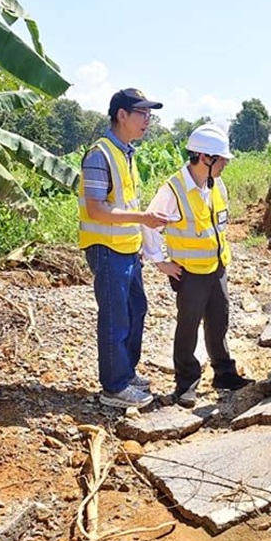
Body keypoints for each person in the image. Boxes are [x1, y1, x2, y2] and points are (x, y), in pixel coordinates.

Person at [142, 124, 253, 408]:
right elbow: (151, 224)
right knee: (188, 327)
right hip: (189, 272)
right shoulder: (173, 189)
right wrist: (159, 262)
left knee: (219, 321)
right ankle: (186, 383)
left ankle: (224, 374)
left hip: (217, 268)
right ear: (205, 157)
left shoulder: (217, 186)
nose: (226, 163)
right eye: (222, 159)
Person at [79, 88, 172, 409]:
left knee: (135, 310)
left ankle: (126, 372)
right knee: (115, 317)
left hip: (128, 248)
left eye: (150, 114)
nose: (148, 120)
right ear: (122, 115)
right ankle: (114, 387)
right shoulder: (99, 154)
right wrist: (144, 217)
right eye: (142, 113)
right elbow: (96, 210)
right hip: (106, 248)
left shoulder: (126, 153)